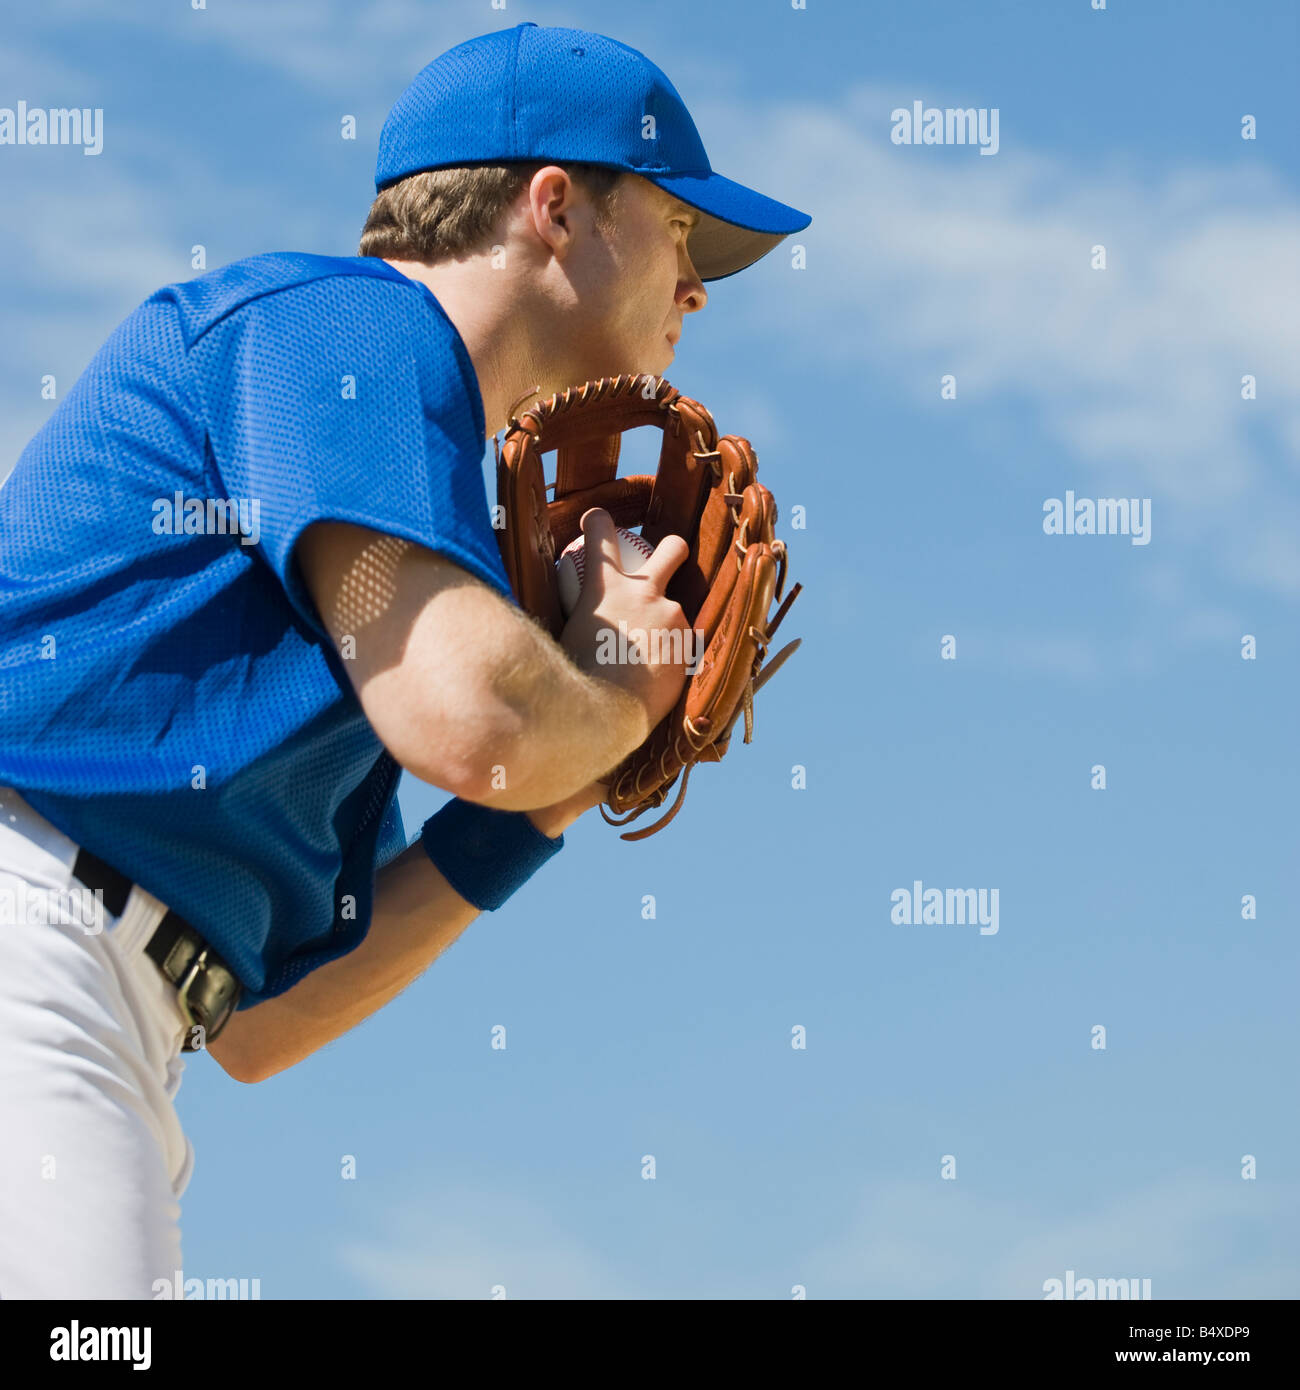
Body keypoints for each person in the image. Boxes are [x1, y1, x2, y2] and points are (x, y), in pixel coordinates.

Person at [0, 21, 810, 1298]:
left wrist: (549, 795)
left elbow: (266, 1024)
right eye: (678, 231)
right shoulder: (350, 326)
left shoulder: (416, 496)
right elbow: (473, 720)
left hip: (109, 1001)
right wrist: (610, 679)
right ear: (556, 207)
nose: (696, 285)